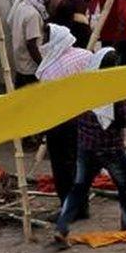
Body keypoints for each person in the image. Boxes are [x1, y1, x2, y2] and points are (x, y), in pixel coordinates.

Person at [53, 48, 126, 248]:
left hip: (86, 147)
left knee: (79, 187)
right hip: (111, 148)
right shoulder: (116, 90)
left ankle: (62, 226)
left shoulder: (84, 86)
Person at [36, 24, 94, 214]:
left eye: (45, 39)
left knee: (62, 167)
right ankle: (82, 205)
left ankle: (69, 207)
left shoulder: (50, 70)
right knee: (79, 163)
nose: (42, 43)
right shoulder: (85, 55)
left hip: (61, 122)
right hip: (85, 118)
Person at [8, 0, 49, 88]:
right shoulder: (33, 15)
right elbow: (31, 44)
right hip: (30, 70)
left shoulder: (22, 6)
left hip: (20, 66)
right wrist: (43, 65)